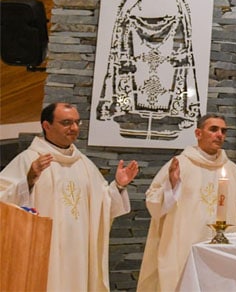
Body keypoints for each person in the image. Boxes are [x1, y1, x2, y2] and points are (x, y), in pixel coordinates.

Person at [0, 102, 139, 291]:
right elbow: (3, 203)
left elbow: (103, 205)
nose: (73, 128)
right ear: (46, 125)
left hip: (78, 252)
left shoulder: (85, 165)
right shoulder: (28, 160)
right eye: (66, 122)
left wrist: (119, 185)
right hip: (44, 252)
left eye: (76, 122)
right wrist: (29, 180)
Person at [137, 113, 236, 291]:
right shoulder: (179, 164)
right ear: (198, 133)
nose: (219, 135)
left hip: (223, 249)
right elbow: (154, 203)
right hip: (185, 245)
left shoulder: (231, 169)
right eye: (213, 129)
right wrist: (171, 185)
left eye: (223, 131)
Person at [96, 0, 200, 140]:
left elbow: (183, 17)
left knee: (167, 78)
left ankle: (173, 115)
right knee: (136, 76)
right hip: (138, 43)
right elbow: (125, 13)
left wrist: (174, 25)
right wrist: (132, 23)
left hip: (169, 47)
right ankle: (127, 111)